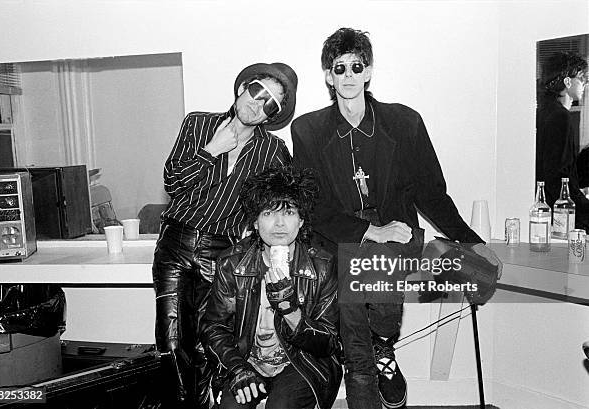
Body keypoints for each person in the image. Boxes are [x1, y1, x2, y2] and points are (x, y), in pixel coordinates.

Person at [291, 27, 502, 409]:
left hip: (396, 241)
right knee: (358, 346)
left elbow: (432, 195)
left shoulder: (405, 123)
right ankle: (379, 354)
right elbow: (313, 206)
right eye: (340, 68)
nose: (349, 75)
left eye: (357, 66)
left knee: (375, 269)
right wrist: (369, 229)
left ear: (369, 71)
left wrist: (472, 241)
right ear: (327, 76)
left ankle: (382, 343)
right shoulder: (307, 130)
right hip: (341, 241)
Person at [152, 62, 297, 408]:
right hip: (177, 242)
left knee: (207, 345)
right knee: (171, 342)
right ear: (242, 88)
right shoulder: (198, 123)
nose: (259, 103)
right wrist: (211, 150)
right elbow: (172, 183)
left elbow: (278, 207)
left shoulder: (273, 151)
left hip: (222, 251)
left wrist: (253, 255)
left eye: (271, 104)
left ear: (270, 117)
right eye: (258, 91)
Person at [200, 166, 342, 409]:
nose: (279, 223)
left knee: (281, 406)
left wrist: (289, 310)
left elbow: (328, 342)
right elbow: (213, 327)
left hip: (301, 362)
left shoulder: (321, 265)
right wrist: (237, 369)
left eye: (288, 212)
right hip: (247, 360)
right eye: (268, 213)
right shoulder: (233, 263)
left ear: (301, 220)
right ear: (255, 222)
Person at [536, 51, 589, 230]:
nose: (585, 84)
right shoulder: (560, 117)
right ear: (567, 82)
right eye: (582, 79)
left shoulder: (546, 112)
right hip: (557, 217)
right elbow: (558, 178)